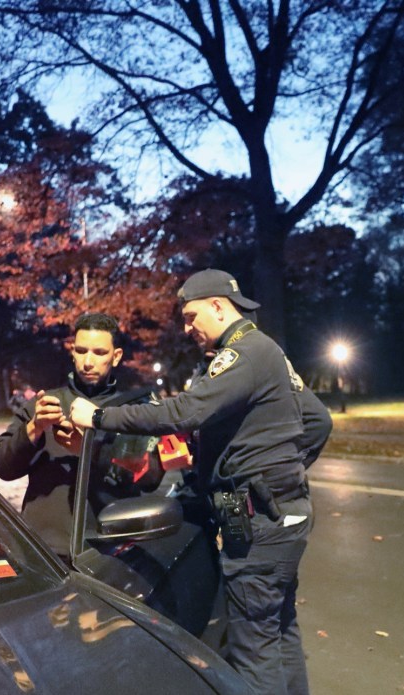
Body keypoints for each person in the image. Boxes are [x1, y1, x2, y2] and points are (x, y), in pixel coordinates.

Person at [69, 269, 329, 695]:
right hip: (283, 516)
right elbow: (319, 421)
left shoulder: (242, 354)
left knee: (253, 651)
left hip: (260, 525)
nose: (187, 328)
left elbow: (182, 413)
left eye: (191, 317)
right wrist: (284, 472)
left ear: (217, 306)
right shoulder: (269, 353)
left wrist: (97, 417)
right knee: (279, 631)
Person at [0, 312, 163, 559]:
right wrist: (34, 428)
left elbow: (150, 476)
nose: (88, 362)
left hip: (110, 551)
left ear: (116, 357)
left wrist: (89, 450)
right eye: (81, 351)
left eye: (99, 352)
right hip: (45, 551)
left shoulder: (132, 411)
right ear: (72, 352)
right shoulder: (44, 404)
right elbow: (3, 467)